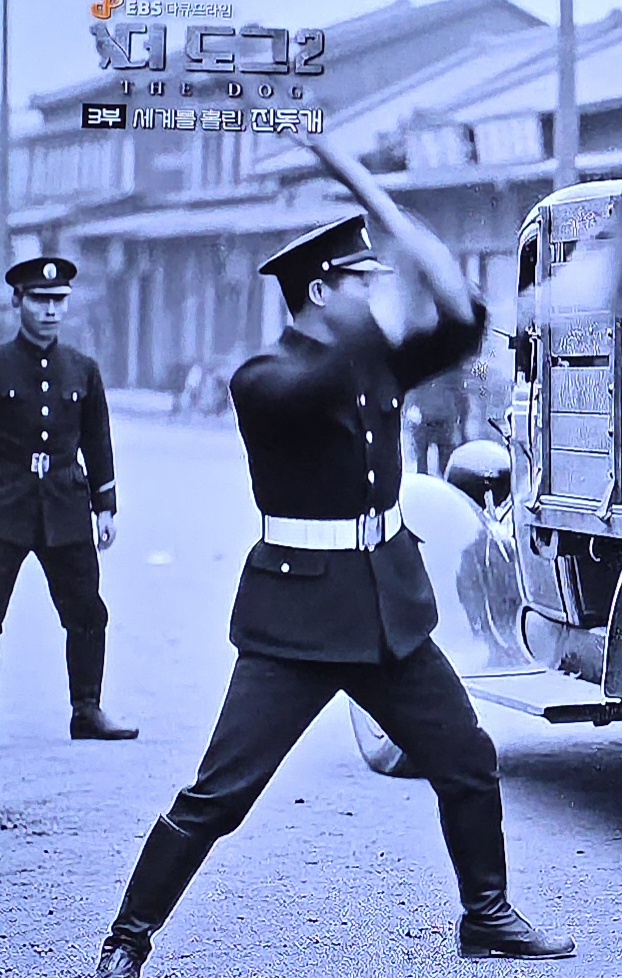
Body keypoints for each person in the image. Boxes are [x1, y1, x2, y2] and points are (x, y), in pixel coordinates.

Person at [91, 135, 574, 978]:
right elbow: (323, 383)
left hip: (387, 612)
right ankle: (127, 938)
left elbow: (463, 321)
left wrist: (379, 202)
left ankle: (487, 915)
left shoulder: (374, 359)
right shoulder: (263, 379)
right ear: (319, 292)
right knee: (219, 795)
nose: (375, 295)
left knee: (467, 760)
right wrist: (381, 301)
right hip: (295, 623)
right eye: (360, 282)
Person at [0, 257, 137, 740]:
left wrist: (105, 508)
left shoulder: (82, 369)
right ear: (18, 301)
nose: (51, 311)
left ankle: (87, 710)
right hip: (6, 505)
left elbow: (97, 441)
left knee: (86, 612)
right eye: (40, 300)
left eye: (59, 301)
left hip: (65, 505)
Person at [406, 366, 469, 476]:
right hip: (429, 421)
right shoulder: (450, 370)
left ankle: (435, 481)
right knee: (427, 466)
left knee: (442, 466)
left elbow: (461, 398)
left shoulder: (451, 372)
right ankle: (428, 481)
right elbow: (461, 398)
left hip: (439, 421)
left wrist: (462, 428)